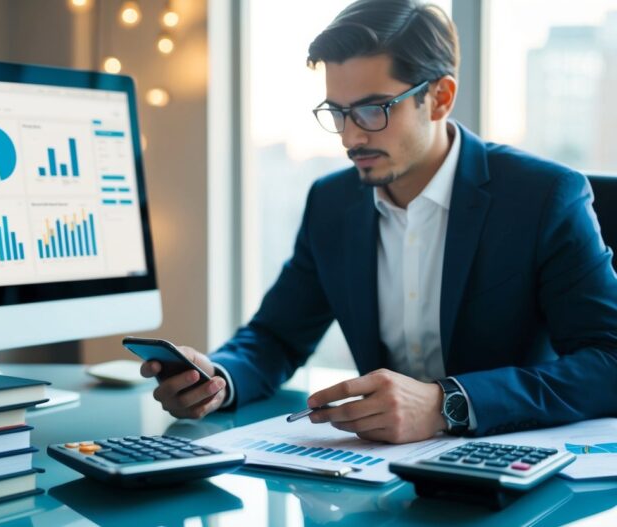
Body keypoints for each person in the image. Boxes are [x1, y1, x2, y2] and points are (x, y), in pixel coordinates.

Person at [141, 0, 617, 443]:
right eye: (337, 112)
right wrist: (219, 380)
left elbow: (608, 362)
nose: (350, 136)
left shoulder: (543, 197)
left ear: (440, 98)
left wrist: (445, 403)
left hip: (510, 469)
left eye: (373, 109)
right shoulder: (331, 202)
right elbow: (275, 337)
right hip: (375, 471)